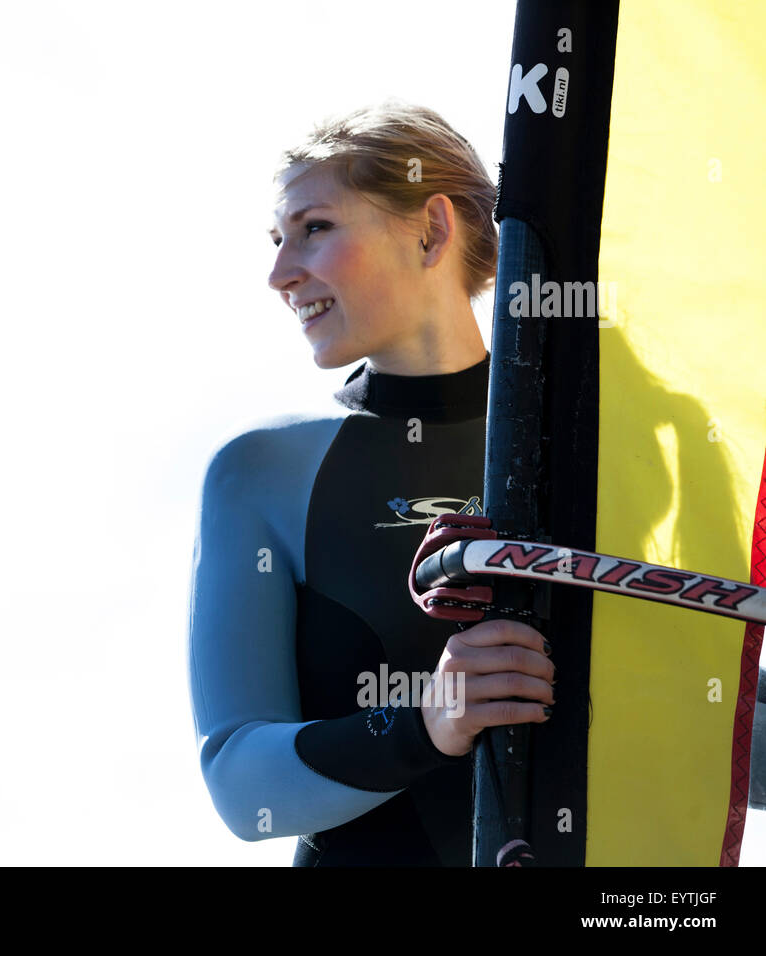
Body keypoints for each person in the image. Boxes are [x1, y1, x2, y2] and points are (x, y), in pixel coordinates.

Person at [187, 101, 556, 866]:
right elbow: (240, 784)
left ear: (431, 230)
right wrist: (428, 722)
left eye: (314, 228)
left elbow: (723, 736)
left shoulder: (594, 450)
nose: (279, 273)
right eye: (278, 239)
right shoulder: (264, 472)